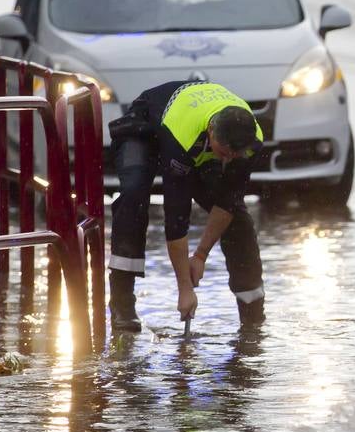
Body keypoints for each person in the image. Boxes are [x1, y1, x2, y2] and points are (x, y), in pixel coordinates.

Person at [107, 81, 266, 332]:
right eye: (223, 153)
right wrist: (185, 289)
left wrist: (201, 255)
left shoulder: (252, 141)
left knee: (238, 220)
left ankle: (252, 311)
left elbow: (228, 202)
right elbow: (176, 216)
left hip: (196, 137)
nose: (226, 161)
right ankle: (122, 303)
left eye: (233, 157)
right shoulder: (183, 136)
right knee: (134, 195)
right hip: (147, 125)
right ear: (211, 131)